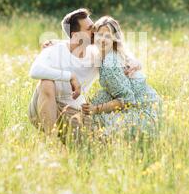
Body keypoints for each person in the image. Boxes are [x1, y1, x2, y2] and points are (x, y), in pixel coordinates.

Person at [27, 9, 140, 143]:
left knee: (95, 146)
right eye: (90, 29)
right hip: (43, 107)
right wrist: (70, 76)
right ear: (75, 35)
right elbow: (34, 70)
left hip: (73, 109)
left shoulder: (95, 55)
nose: (95, 32)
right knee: (46, 82)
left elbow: (120, 54)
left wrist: (134, 62)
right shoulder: (54, 49)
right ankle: (51, 142)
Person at [81, 16, 162, 139]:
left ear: (114, 38)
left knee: (94, 124)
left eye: (107, 36)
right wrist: (55, 43)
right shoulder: (102, 54)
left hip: (143, 111)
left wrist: (96, 109)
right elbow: (75, 44)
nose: (103, 39)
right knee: (87, 116)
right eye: (100, 34)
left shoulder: (110, 63)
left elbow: (127, 100)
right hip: (140, 102)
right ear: (94, 36)